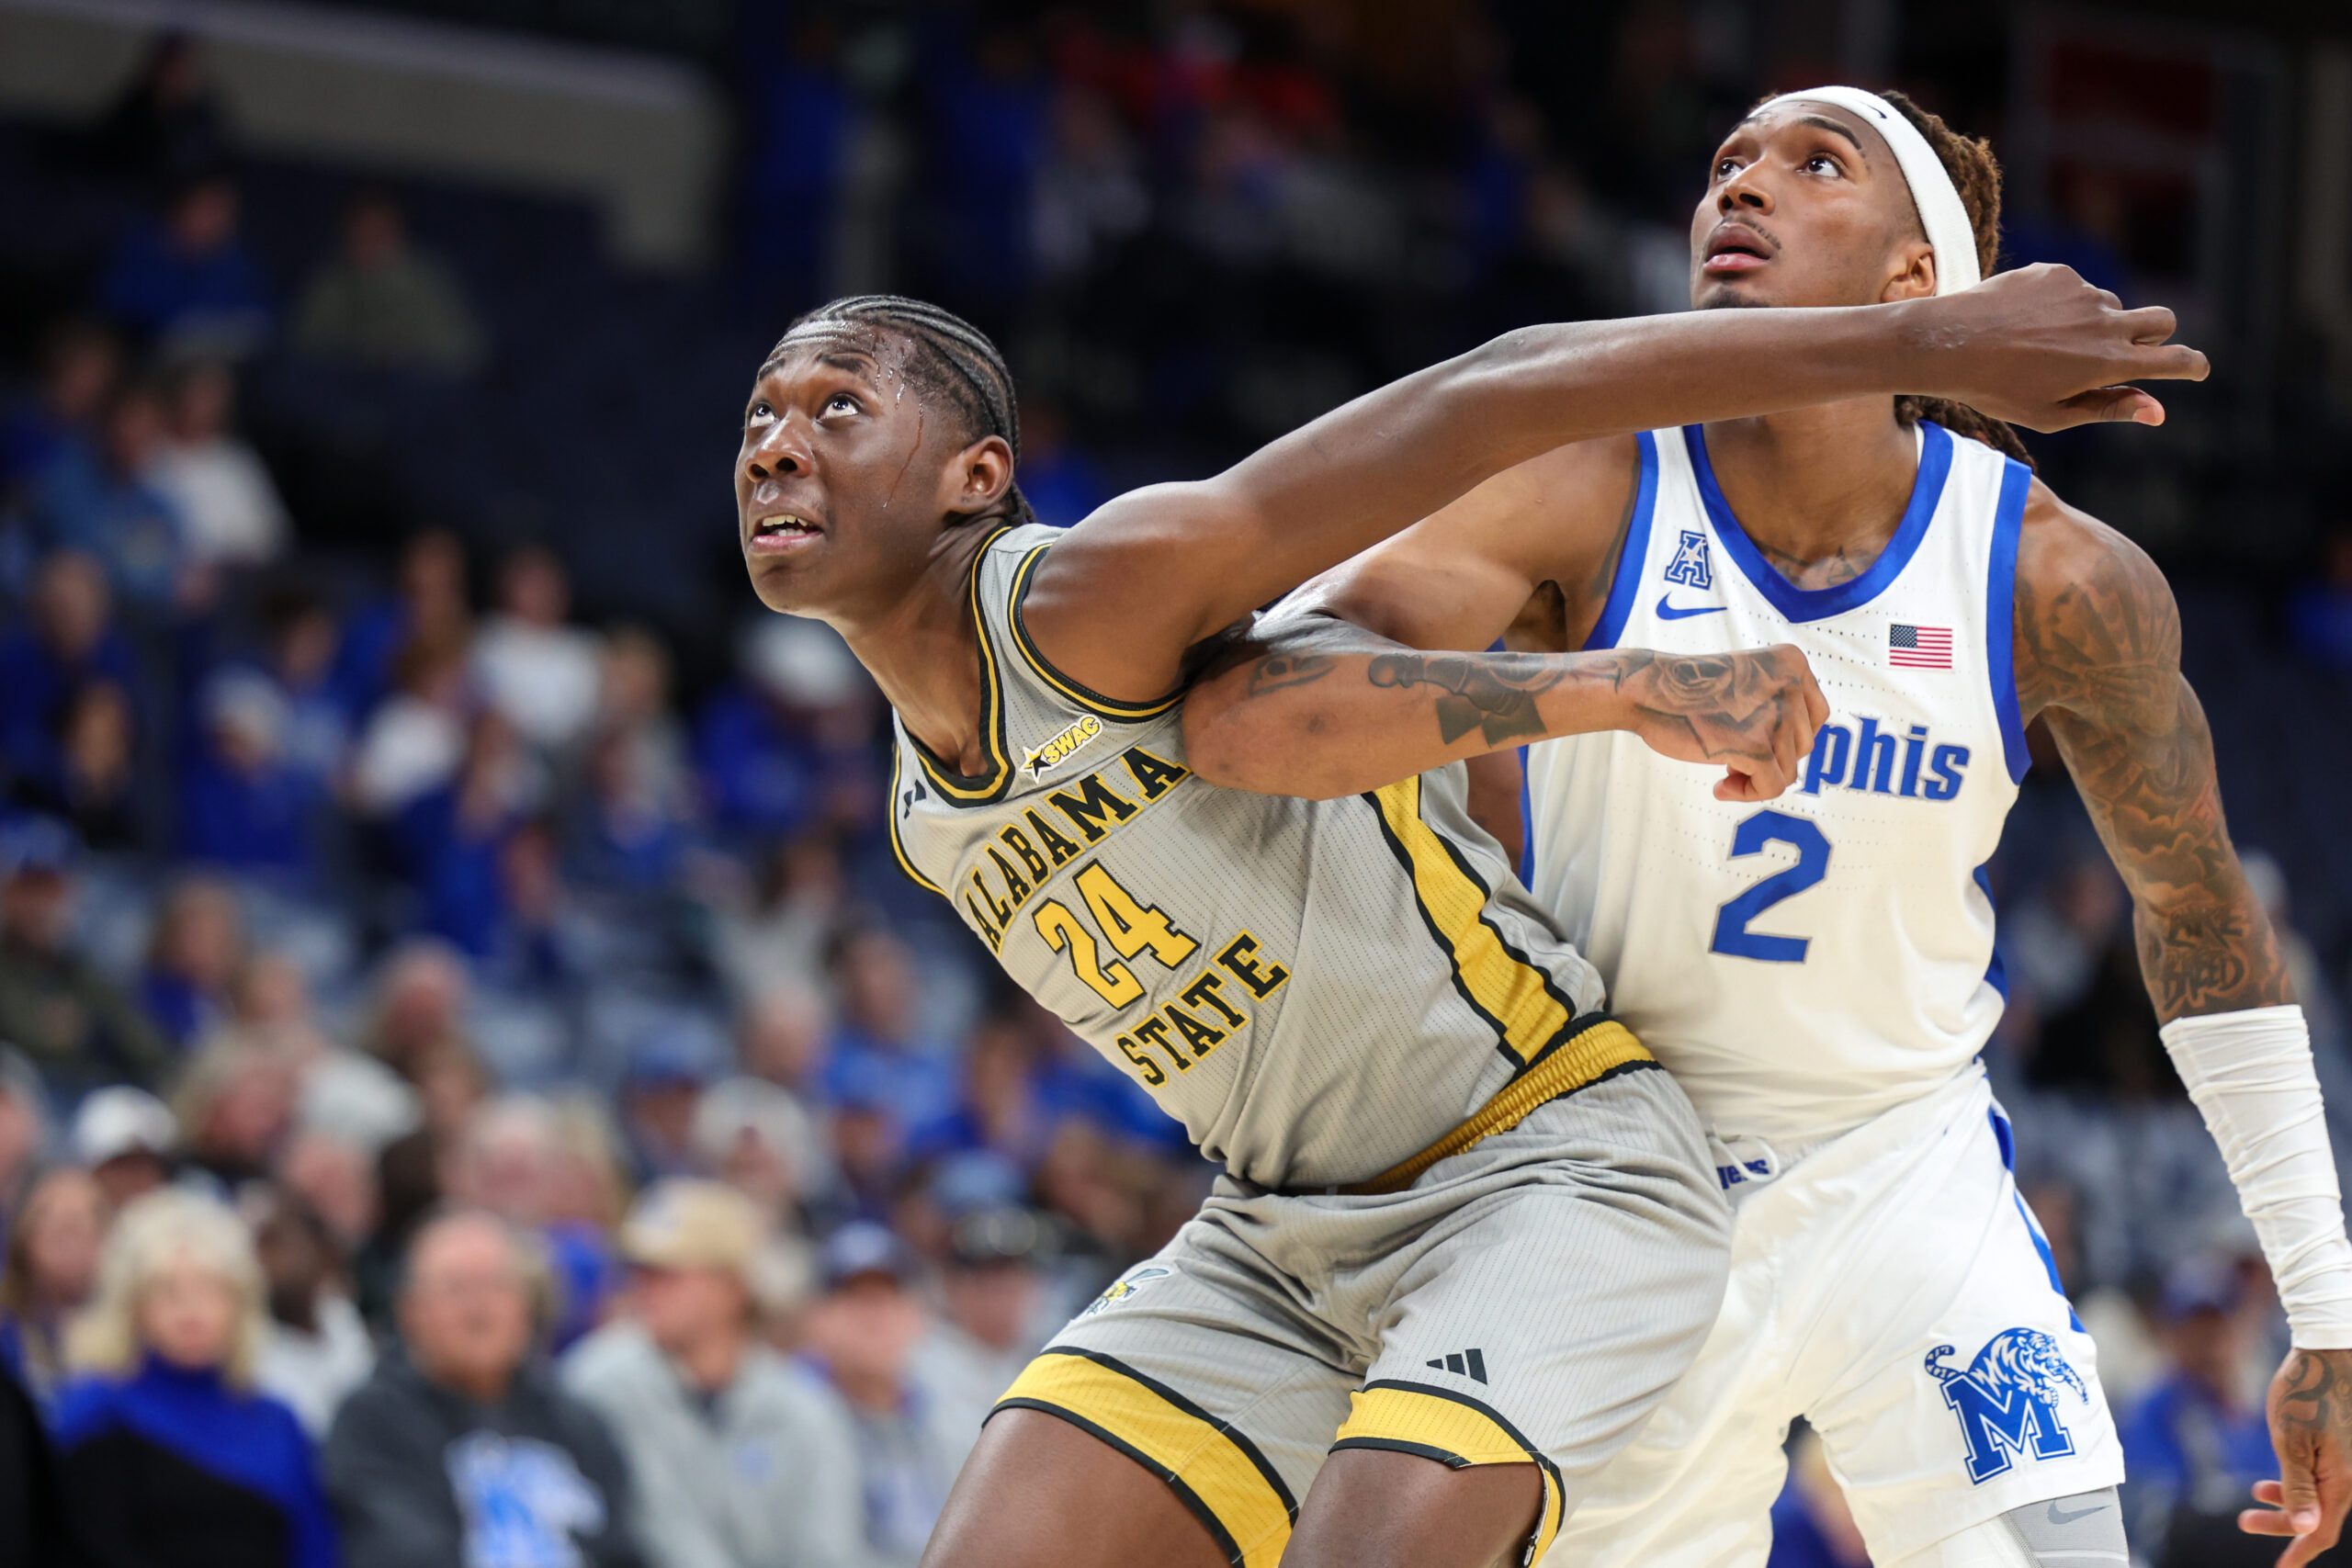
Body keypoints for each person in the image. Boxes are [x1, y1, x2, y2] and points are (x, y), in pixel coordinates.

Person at [729, 268, 2198, 1568]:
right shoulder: (925, 813)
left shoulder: (1083, 602)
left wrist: (1916, 337)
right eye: (759, 419)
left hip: (1547, 1172)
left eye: (837, 407)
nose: (778, 442)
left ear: (974, 473)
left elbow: (1485, 395)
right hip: (1277, 1234)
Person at [1180, 85, 2334, 1567]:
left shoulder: (2057, 572)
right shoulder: (1586, 485)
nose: (1742, 187)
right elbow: (1251, 710)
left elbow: (2202, 920)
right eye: (1727, 162)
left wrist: (2326, 1298)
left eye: (1812, 163)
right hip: (1608, 1172)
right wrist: (1611, 686)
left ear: (1918, 283)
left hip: (1905, 1171)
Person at [562, 1179, 868, 1568]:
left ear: (733, 1286)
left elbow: (829, 1551)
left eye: (670, 1274)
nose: (648, 1288)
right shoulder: (597, 1383)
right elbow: (649, 1535)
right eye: (641, 1272)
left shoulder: (804, 1409)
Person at [323, 1208, 643, 1568]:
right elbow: (402, 1551)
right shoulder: (373, 1422)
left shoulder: (577, 1421)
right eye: (455, 1288)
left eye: (497, 1285)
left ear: (528, 1305)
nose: (479, 1308)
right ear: (409, 1310)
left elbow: (624, 1548)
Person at [51, 1189, 336, 1568]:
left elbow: (314, 1549)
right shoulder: (97, 1411)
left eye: (210, 1290)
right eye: (167, 1291)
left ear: (240, 1304)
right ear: (132, 1306)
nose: (190, 1311)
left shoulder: (277, 1423)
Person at [2120, 1258, 2279, 1566]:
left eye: (2218, 1329)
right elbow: (2155, 1515)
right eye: (2196, 1330)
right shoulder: (2152, 1408)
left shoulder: (2255, 1407)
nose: (2210, 1344)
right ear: (2173, 1336)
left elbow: (2276, 1489)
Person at [292, 189, 484, 375]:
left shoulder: (427, 279)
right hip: (345, 384)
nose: (368, 242)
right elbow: (304, 341)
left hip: (416, 385)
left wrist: (404, 353)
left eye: (378, 232)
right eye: (360, 231)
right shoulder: (334, 278)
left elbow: (465, 352)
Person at [0, 1166, 107, 1404]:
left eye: (84, 1225)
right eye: (56, 1227)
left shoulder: (128, 1331)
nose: (71, 1241)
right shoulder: (7, 1326)